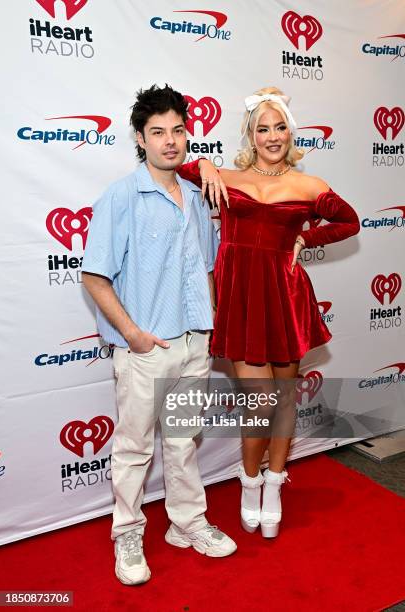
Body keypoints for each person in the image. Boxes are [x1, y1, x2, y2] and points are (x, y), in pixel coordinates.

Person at [177, 86, 360, 538]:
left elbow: (349, 221)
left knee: (284, 399)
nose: (272, 136)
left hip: (286, 297)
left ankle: (275, 484)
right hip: (241, 300)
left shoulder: (307, 185)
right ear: (251, 135)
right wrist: (202, 163)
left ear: (290, 133)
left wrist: (305, 239)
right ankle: (249, 480)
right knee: (258, 403)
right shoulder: (225, 178)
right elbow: (178, 163)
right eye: (263, 128)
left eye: (280, 127)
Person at [81, 84, 236, 586]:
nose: (170, 141)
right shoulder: (121, 197)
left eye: (178, 130)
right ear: (140, 139)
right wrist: (132, 334)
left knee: (184, 443)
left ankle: (186, 523)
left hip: (195, 345)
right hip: (146, 350)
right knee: (132, 449)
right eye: (157, 132)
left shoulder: (196, 196)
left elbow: (205, 270)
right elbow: (94, 275)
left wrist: (208, 327)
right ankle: (126, 533)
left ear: (188, 133)